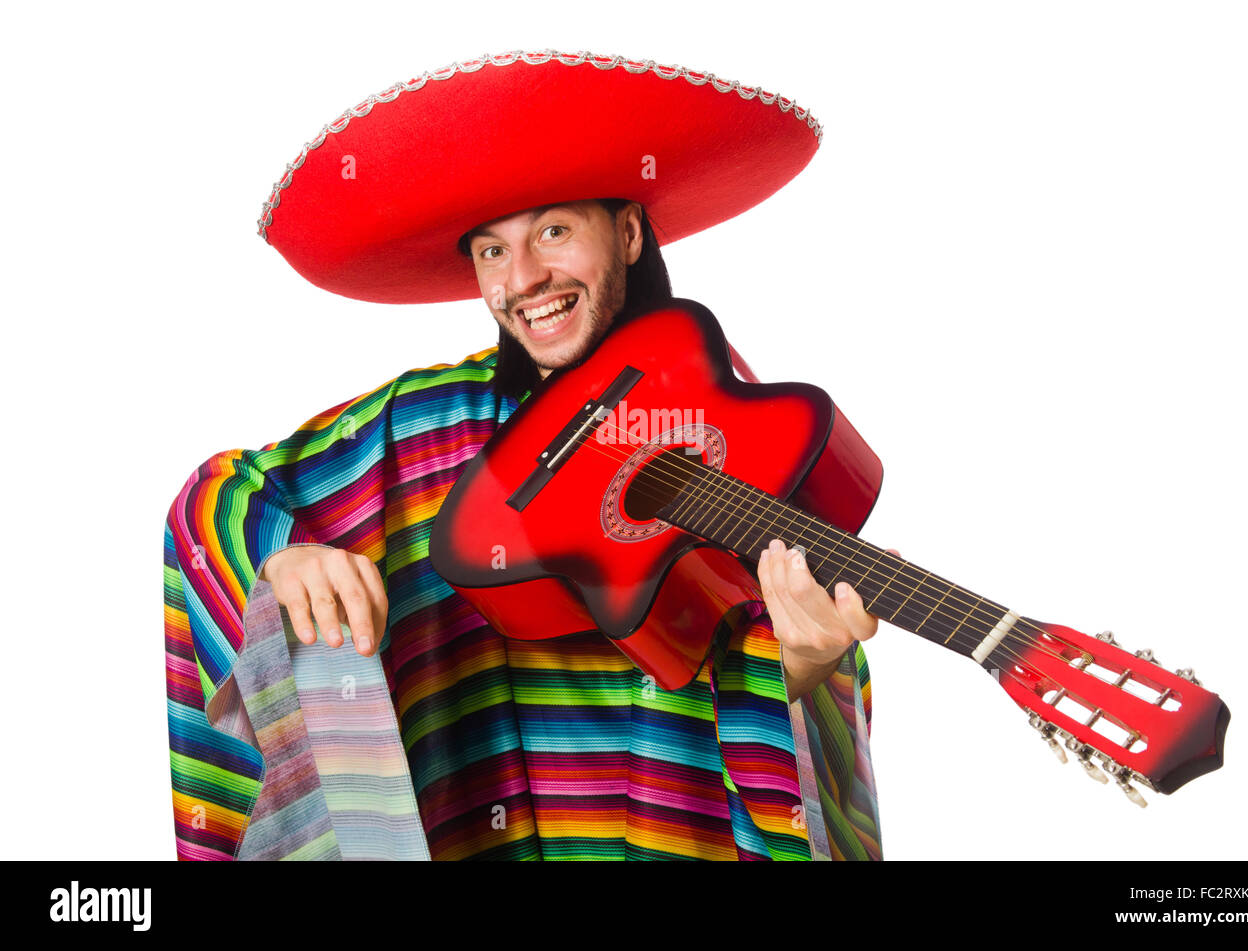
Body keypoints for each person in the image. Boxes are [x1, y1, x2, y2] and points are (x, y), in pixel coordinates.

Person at [164, 50, 884, 860]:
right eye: (493, 251)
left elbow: (775, 663)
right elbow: (219, 499)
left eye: (552, 230)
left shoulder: (741, 425)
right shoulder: (427, 426)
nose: (527, 278)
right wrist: (281, 562)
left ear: (629, 230)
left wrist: (803, 663)